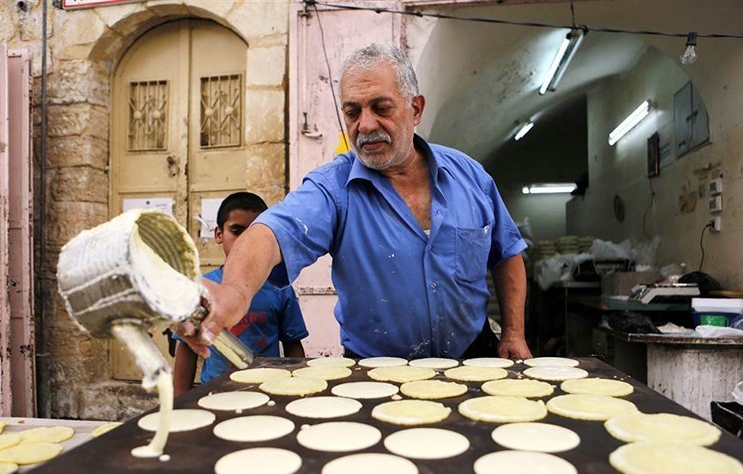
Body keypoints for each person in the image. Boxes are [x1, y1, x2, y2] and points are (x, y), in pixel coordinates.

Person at [179, 43, 531, 362]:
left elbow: (506, 253)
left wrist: (514, 333)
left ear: (416, 108)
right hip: (375, 373)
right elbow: (270, 233)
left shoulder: (469, 176)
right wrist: (234, 293)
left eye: (381, 108)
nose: (365, 125)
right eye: (352, 112)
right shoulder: (333, 189)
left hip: (472, 359)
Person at [172, 192, 308, 396]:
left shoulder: (280, 288)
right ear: (219, 234)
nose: (245, 241)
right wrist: (180, 399)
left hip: (267, 392)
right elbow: (187, 347)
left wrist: (298, 390)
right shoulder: (202, 289)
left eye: (254, 233)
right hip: (216, 393)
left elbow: (293, 345)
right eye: (237, 231)